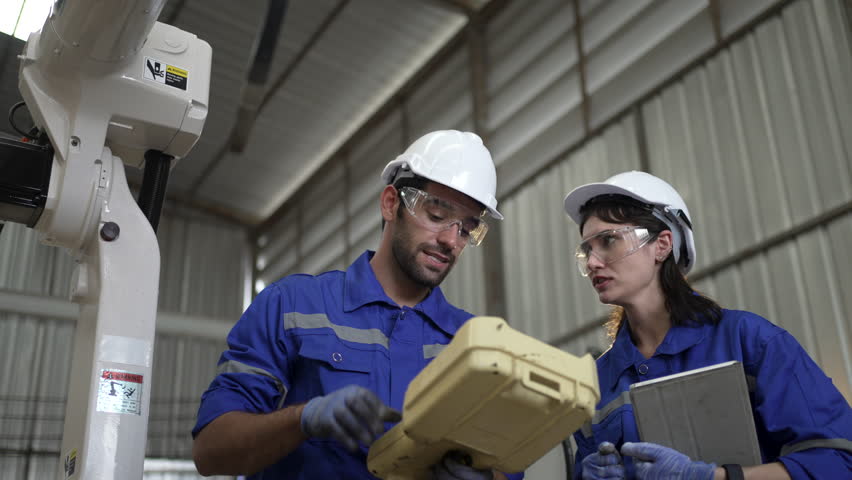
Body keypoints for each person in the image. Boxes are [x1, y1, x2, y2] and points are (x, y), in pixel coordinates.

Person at [192, 130, 523, 480]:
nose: (450, 241)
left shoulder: (475, 345)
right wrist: (302, 419)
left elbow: (508, 464)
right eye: (437, 215)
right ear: (391, 203)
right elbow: (212, 452)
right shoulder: (293, 307)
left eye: (466, 229)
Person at [562, 171, 852, 479]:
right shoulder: (594, 384)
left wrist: (713, 477)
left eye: (608, 241)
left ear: (662, 245)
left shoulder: (749, 341)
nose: (593, 262)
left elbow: (837, 462)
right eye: (587, 250)